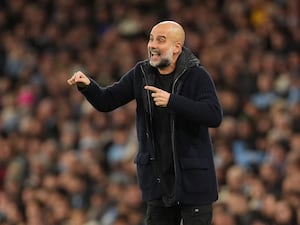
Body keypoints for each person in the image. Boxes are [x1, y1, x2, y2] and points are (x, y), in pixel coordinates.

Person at [67, 20, 222, 225]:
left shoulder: (197, 75)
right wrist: (88, 86)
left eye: (161, 40)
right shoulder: (141, 73)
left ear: (177, 47)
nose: (152, 45)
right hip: (158, 182)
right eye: (150, 39)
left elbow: (213, 115)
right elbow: (107, 101)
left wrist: (172, 101)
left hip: (192, 182)